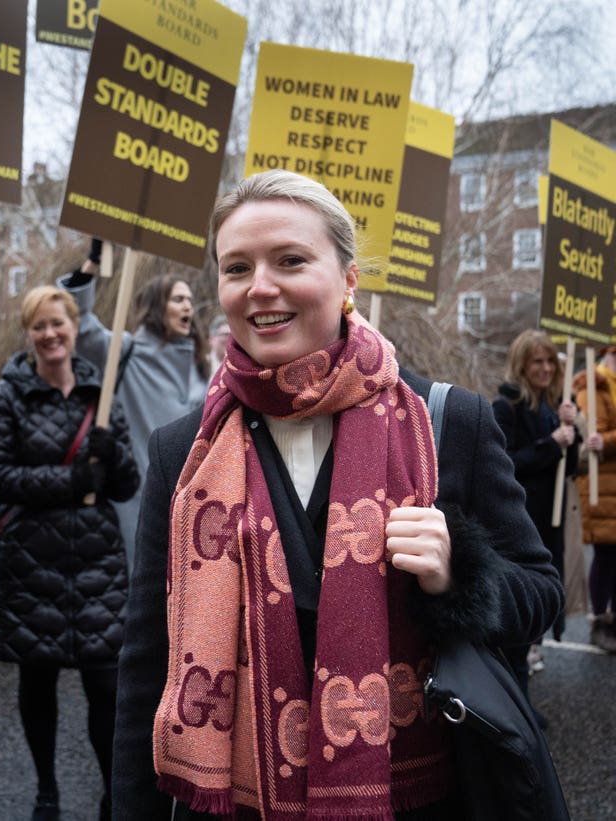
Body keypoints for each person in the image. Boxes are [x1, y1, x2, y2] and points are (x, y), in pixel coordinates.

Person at [112, 170, 564, 821]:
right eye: (237, 266)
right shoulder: (184, 449)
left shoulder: (447, 422)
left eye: (291, 259)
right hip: (239, 803)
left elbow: (540, 591)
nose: (260, 285)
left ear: (349, 278)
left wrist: (457, 572)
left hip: (417, 798)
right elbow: (146, 662)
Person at [0, 286, 139, 821]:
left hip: (96, 560)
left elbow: (125, 484)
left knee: (105, 683)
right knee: (37, 678)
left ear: (74, 327)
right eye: (38, 326)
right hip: (32, 561)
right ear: (28, 334)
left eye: (58, 323)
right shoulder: (7, 396)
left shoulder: (103, 391)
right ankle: (46, 789)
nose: (49, 334)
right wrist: (71, 477)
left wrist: (111, 455)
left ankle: (112, 793)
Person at [58, 247, 210, 569]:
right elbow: (79, 322)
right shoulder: (124, 352)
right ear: (157, 307)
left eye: (189, 300)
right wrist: (92, 263)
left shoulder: (204, 366)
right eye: (177, 299)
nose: (188, 306)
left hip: (195, 503)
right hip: (138, 501)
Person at [492, 330, 579, 716]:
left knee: (535, 616)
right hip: (520, 525)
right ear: (522, 365)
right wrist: (551, 444)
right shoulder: (506, 406)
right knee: (517, 617)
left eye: (550, 362)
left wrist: (573, 439)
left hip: (549, 523)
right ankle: (514, 704)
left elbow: (570, 470)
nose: (545, 369)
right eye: (537, 362)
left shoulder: (556, 407)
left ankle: (519, 702)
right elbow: (505, 464)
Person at [572, 344, 616, 652]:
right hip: (604, 482)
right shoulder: (595, 385)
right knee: (606, 553)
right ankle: (601, 621)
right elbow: (595, 437)